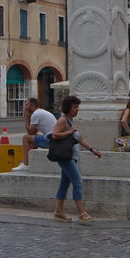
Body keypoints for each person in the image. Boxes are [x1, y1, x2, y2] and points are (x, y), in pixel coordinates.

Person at [51, 95, 102, 223]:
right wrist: (69, 132)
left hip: (72, 156)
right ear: (68, 108)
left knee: (64, 183)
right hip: (65, 157)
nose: (77, 109)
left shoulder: (71, 121)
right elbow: (55, 135)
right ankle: (82, 213)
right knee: (78, 181)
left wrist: (92, 149)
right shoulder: (63, 121)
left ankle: (58, 212)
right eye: (75, 107)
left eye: (78, 107)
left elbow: (80, 139)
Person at [13, 97, 57, 171]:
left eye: (27, 105)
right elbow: (33, 133)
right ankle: (32, 162)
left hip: (51, 141)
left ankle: (26, 164)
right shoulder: (41, 112)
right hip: (54, 140)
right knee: (31, 139)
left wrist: (26, 118)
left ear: (32, 105)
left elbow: (30, 132)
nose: (25, 108)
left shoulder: (36, 114)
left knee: (25, 138)